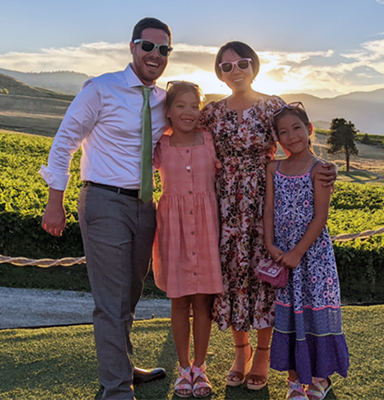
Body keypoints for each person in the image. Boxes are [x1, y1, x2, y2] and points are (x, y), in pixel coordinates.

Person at [39, 17, 172, 400]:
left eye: (163, 49)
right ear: (132, 47)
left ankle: (123, 366)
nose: (155, 55)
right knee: (111, 299)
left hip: (143, 207)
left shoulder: (162, 99)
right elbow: (64, 141)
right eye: (148, 46)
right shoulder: (101, 89)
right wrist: (55, 202)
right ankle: (115, 389)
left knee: (130, 292)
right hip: (103, 200)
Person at [200, 41, 337, 391]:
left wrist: (326, 168)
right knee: (234, 276)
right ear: (219, 72)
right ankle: (240, 351)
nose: (236, 71)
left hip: (266, 199)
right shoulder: (211, 112)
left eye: (242, 63)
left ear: (254, 65)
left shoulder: (273, 106)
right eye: (226, 66)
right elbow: (181, 126)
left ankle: (262, 354)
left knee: (264, 279)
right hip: (227, 202)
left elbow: (298, 140)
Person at [264, 102, 349, 400]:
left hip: (313, 258)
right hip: (284, 256)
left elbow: (320, 218)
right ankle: (293, 381)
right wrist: (270, 244)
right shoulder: (273, 168)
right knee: (290, 315)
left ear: (310, 129)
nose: (291, 137)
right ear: (276, 138)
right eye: (283, 132)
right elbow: (270, 210)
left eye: (296, 128)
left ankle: (320, 379)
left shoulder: (320, 170)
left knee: (315, 314)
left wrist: (298, 253)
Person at [151, 81, 223, 398]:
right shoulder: (160, 146)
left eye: (195, 106)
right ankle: (183, 369)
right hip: (173, 229)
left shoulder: (209, 140)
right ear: (167, 111)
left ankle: (200, 367)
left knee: (203, 302)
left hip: (207, 227)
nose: (189, 112)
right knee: (179, 301)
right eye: (181, 106)